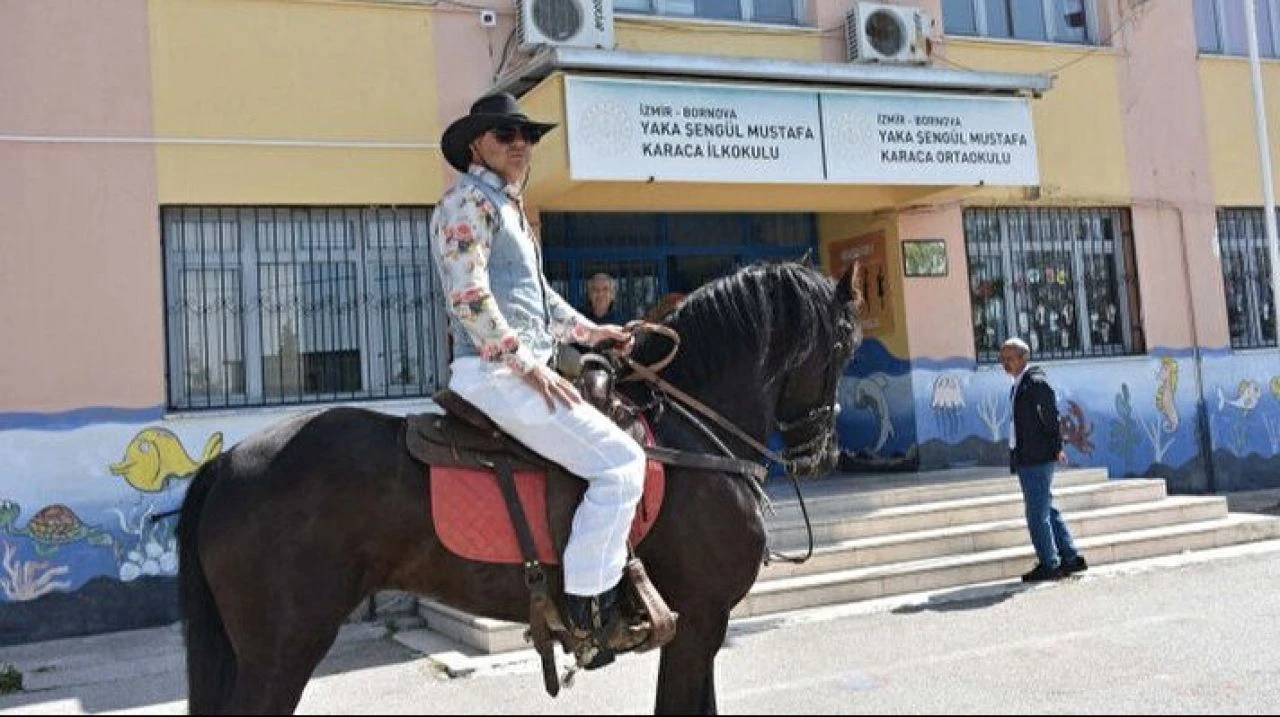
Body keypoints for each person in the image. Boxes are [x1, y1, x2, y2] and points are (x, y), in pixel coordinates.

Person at [430, 92, 645, 667]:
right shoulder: (466, 201)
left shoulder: (510, 210)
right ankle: (587, 616)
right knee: (623, 466)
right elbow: (468, 294)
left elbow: (539, 301)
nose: (520, 144)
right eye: (505, 135)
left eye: (527, 136)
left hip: (517, 368)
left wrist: (595, 333)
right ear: (476, 145)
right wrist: (526, 365)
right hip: (494, 374)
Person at [1000, 337, 1088, 583]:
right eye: (1002, 359)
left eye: (1010, 358)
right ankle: (1070, 557)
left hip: (1036, 457)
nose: (1005, 363)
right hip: (1027, 455)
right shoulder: (1019, 384)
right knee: (1046, 508)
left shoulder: (1036, 383)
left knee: (1036, 515)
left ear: (1024, 358)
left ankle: (1049, 564)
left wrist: (1056, 447)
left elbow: (1051, 417)